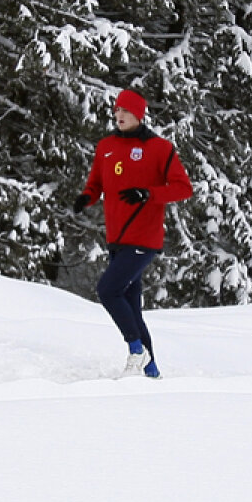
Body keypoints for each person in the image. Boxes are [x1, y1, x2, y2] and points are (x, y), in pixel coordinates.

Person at [73, 88, 192, 378]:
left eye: (126, 110)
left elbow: (183, 188)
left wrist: (147, 194)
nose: (119, 115)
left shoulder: (160, 148)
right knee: (131, 307)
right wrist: (86, 197)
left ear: (139, 114)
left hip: (143, 237)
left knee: (108, 290)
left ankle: (137, 350)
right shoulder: (106, 146)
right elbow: (96, 183)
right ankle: (151, 372)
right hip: (116, 238)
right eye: (117, 110)